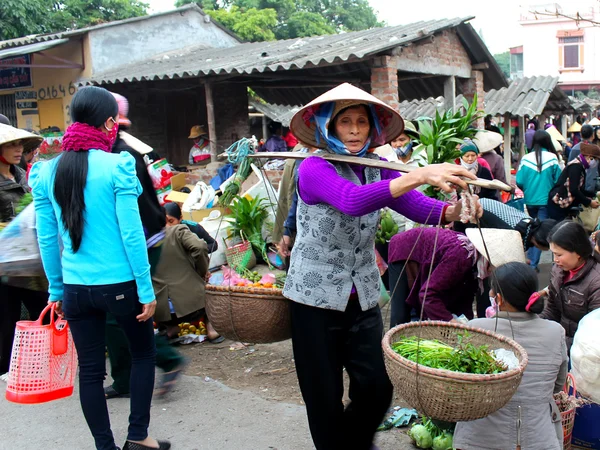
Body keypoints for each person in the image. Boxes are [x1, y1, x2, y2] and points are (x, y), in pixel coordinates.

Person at [284, 83, 482, 450]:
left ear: (373, 127)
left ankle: (352, 444)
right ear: (330, 127)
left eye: (362, 121)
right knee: (323, 397)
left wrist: (455, 210)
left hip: (361, 297)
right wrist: (419, 173)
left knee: (378, 386)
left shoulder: (377, 167)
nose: (356, 129)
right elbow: (351, 200)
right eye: (346, 122)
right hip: (313, 300)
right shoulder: (314, 168)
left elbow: (418, 206)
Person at [29, 86, 169, 450]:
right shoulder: (118, 165)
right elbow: (132, 234)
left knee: (90, 371)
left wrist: (56, 290)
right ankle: (139, 436)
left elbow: (47, 240)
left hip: (75, 291)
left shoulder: (46, 171)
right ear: (109, 122)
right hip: (121, 285)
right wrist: (146, 289)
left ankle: (104, 447)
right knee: (142, 355)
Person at [103, 92, 186, 403]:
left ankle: (166, 359)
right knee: (121, 310)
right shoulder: (121, 150)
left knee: (122, 311)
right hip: (138, 237)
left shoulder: (121, 154)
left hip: (138, 240)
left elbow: (130, 210)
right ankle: (126, 375)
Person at [453, 262, 568, 450]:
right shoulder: (555, 332)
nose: (490, 295)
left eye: (492, 291)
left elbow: (459, 384)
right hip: (538, 439)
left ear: (498, 299)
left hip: (479, 439)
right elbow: (557, 385)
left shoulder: (477, 328)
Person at [0, 124, 46, 381]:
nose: (19, 150)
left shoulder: (21, 174)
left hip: (28, 258)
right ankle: (7, 367)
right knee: (8, 316)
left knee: (41, 308)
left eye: (21, 145)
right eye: (12, 145)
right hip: (3, 261)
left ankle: (40, 360)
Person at [387, 228, 479, 326]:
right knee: (401, 315)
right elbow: (427, 294)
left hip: (429, 257)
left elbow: (465, 298)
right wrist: (450, 321)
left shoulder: (475, 266)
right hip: (404, 249)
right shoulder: (462, 256)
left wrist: (467, 324)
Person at [541, 220, 600, 351]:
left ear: (578, 252)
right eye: (553, 254)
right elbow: (552, 309)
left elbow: (594, 334)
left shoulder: (596, 282)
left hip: (581, 351)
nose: (555, 260)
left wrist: (556, 344)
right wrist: (537, 326)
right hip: (560, 341)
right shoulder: (558, 270)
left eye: (559, 254)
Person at [516, 129, 562, 270]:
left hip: (530, 201)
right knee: (539, 231)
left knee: (532, 228)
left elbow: (519, 180)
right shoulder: (553, 158)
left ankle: (531, 263)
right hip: (545, 201)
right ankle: (533, 265)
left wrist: (529, 190)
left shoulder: (526, 158)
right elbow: (558, 180)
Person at [454, 198, 556, 253]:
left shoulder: (529, 223)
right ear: (540, 242)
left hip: (480, 205)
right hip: (473, 213)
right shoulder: (516, 234)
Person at [547, 143, 600, 221]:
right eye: (595, 160)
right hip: (558, 203)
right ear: (590, 158)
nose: (596, 163)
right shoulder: (576, 166)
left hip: (563, 204)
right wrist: (589, 202)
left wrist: (593, 194)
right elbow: (574, 190)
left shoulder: (580, 166)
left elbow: (579, 189)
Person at [569, 124, 599, 193]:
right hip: (590, 188)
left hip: (575, 187)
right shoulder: (595, 150)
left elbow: (569, 167)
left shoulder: (574, 149)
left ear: (581, 135)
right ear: (593, 135)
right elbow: (593, 171)